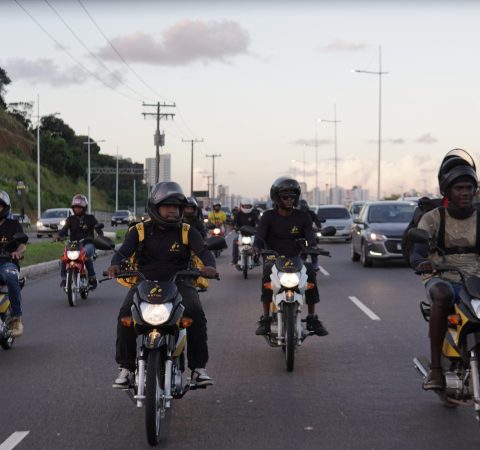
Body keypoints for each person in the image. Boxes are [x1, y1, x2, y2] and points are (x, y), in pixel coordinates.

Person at [107, 181, 217, 388]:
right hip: (143, 283)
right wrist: (115, 266)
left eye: (177, 207)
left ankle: (198, 369)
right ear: (155, 207)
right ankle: (127, 368)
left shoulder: (187, 230)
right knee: (125, 315)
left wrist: (210, 267)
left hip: (180, 283)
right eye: (168, 206)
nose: (173, 210)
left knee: (195, 312)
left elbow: (204, 252)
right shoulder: (139, 230)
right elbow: (122, 253)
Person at [410, 149, 479, 390]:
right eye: (459, 188)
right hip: (442, 275)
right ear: (447, 191)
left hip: (475, 278)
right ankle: (436, 371)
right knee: (442, 295)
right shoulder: (432, 218)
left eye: (469, 187)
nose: (465, 193)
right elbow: (417, 250)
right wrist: (422, 262)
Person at [252, 177, 328, 336]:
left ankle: (312, 317)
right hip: (273, 257)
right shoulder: (268, 216)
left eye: (292, 197)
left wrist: (311, 247)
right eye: (285, 196)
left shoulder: (303, 217)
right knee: (267, 272)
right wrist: (256, 248)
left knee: (310, 272)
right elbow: (259, 236)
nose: (289, 200)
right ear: (277, 197)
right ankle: (265, 318)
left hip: (296, 257)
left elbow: (309, 238)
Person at [53, 194, 103, 289]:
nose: (77, 209)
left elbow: (98, 229)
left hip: (88, 243)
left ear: (84, 208)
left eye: (80, 207)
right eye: (75, 207)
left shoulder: (91, 218)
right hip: (73, 244)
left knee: (85, 256)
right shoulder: (70, 219)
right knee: (64, 257)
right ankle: (64, 278)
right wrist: (58, 235)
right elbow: (63, 230)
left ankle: (92, 277)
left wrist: (100, 235)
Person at [0, 191, 27, 337]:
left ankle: (17, 319)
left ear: (5, 207)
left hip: (7, 263)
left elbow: (22, 244)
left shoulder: (13, 224)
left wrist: (18, 252)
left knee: (11, 276)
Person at [231, 199, 259, 265]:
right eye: (245, 206)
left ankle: (256, 259)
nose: (246, 207)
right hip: (241, 233)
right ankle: (234, 260)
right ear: (242, 206)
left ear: (251, 206)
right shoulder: (238, 214)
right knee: (235, 241)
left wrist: (259, 228)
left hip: (252, 233)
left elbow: (258, 222)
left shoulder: (253, 214)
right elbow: (233, 223)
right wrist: (233, 227)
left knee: (257, 243)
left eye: (248, 206)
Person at [298, 199, 322, 271]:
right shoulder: (296, 214)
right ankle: (300, 265)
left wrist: (319, 227)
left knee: (313, 251)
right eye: (301, 206)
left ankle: (315, 266)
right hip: (298, 236)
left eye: (303, 205)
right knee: (299, 252)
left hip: (309, 235)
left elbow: (317, 221)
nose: (302, 207)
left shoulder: (311, 213)